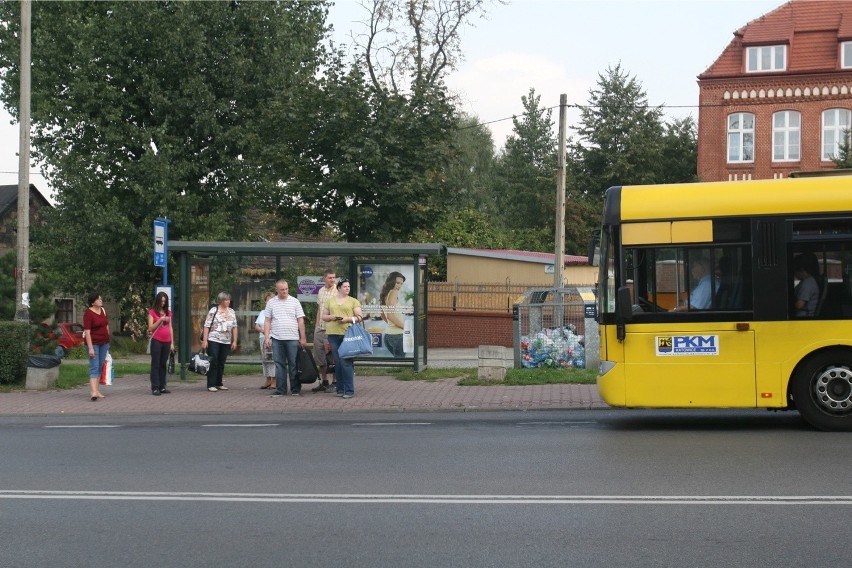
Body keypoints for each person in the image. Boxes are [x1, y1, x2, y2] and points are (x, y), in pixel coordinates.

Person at [264, 280, 308, 396]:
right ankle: (281, 389)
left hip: (293, 338)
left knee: (293, 364)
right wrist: (267, 337)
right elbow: (267, 321)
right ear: (277, 290)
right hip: (277, 338)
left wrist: (303, 337)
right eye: (282, 290)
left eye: (286, 289)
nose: (285, 291)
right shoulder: (271, 303)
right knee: (279, 364)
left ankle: (295, 389)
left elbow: (300, 320)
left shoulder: (295, 301)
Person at [321, 278, 364, 399]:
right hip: (333, 334)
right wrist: (331, 317)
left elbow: (360, 317)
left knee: (346, 362)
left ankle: (349, 390)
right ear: (339, 288)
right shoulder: (330, 301)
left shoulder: (353, 301)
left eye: (348, 287)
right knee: (338, 362)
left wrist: (348, 319)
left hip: (348, 334)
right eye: (345, 286)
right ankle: (340, 389)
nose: (347, 288)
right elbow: (323, 316)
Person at [201, 291, 238, 392]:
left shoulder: (231, 311)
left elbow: (234, 327)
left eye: (229, 299)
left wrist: (234, 341)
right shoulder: (214, 311)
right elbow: (206, 325)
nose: (228, 301)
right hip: (213, 339)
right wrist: (205, 340)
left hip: (226, 340)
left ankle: (219, 383)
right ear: (221, 301)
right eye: (225, 300)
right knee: (214, 360)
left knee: (221, 362)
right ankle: (211, 384)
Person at [311, 269, 337, 393]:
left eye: (334, 277)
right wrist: (316, 325)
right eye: (330, 277)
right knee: (319, 355)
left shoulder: (338, 291)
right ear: (324, 278)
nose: (332, 280)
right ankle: (324, 381)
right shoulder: (321, 291)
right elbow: (319, 309)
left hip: (331, 329)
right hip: (319, 328)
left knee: (331, 357)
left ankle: (335, 382)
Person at [83, 292, 110, 401]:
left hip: (104, 342)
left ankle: (97, 390)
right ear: (92, 302)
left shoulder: (103, 310)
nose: (100, 300)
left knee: (100, 366)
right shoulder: (88, 314)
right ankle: (93, 392)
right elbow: (87, 332)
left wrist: (108, 338)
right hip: (93, 343)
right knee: (94, 366)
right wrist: (90, 348)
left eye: (100, 299)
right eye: (98, 299)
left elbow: (106, 325)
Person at [147, 291, 175, 396]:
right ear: (158, 301)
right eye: (161, 301)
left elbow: (170, 327)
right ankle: (155, 387)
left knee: (163, 363)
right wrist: (160, 320)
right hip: (157, 340)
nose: (163, 303)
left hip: (167, 341)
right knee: (156, 364)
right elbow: (150, 328)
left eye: (165, 301)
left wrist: (172, 342)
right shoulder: (152, 312)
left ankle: (162, 386)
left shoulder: (168, 312)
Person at [379, 271, 406, 358]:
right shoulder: (393, 293)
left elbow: (383, 315)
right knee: (401, 364)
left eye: (401, 284)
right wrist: (405, 327)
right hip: (398, 336)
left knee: (397, 362)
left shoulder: (384, 295)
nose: (399, 286)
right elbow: (390, 316)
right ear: (391, 281)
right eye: (397, 283)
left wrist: (391, 325)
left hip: (388, 336)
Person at [255, 291, 276, 389]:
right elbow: (257, 326)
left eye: (271, 300)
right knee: (265, 359)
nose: (269, 302)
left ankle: (274, 380)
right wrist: (263, 330)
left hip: (272, 337)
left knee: (273, 359)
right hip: (262, 337)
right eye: (267, 300)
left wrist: (268, 331)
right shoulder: (262, 312)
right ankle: (267, 379)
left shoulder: (276, 312)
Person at [793, 252, 821, 317]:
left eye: (795, 271)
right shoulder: (807, 281)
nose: (794, 274)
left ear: (801, 270)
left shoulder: (807, 283)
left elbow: (800, 305)